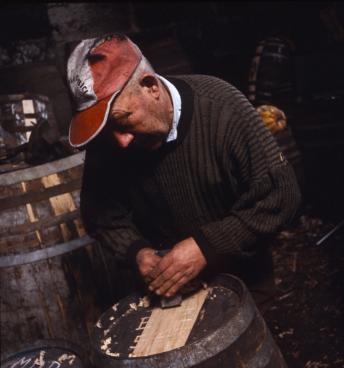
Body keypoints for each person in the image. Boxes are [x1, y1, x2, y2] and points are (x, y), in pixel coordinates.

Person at [66, 33, 301, 311]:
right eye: (108, 130)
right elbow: (101, 214)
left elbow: (281, 195)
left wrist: (206, 246)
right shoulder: (109, 139)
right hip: (168, 292)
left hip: (243, 281)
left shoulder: (221, 107)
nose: (121, 141)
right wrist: (136, 252)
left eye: (123, 120)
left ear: (151, 86)